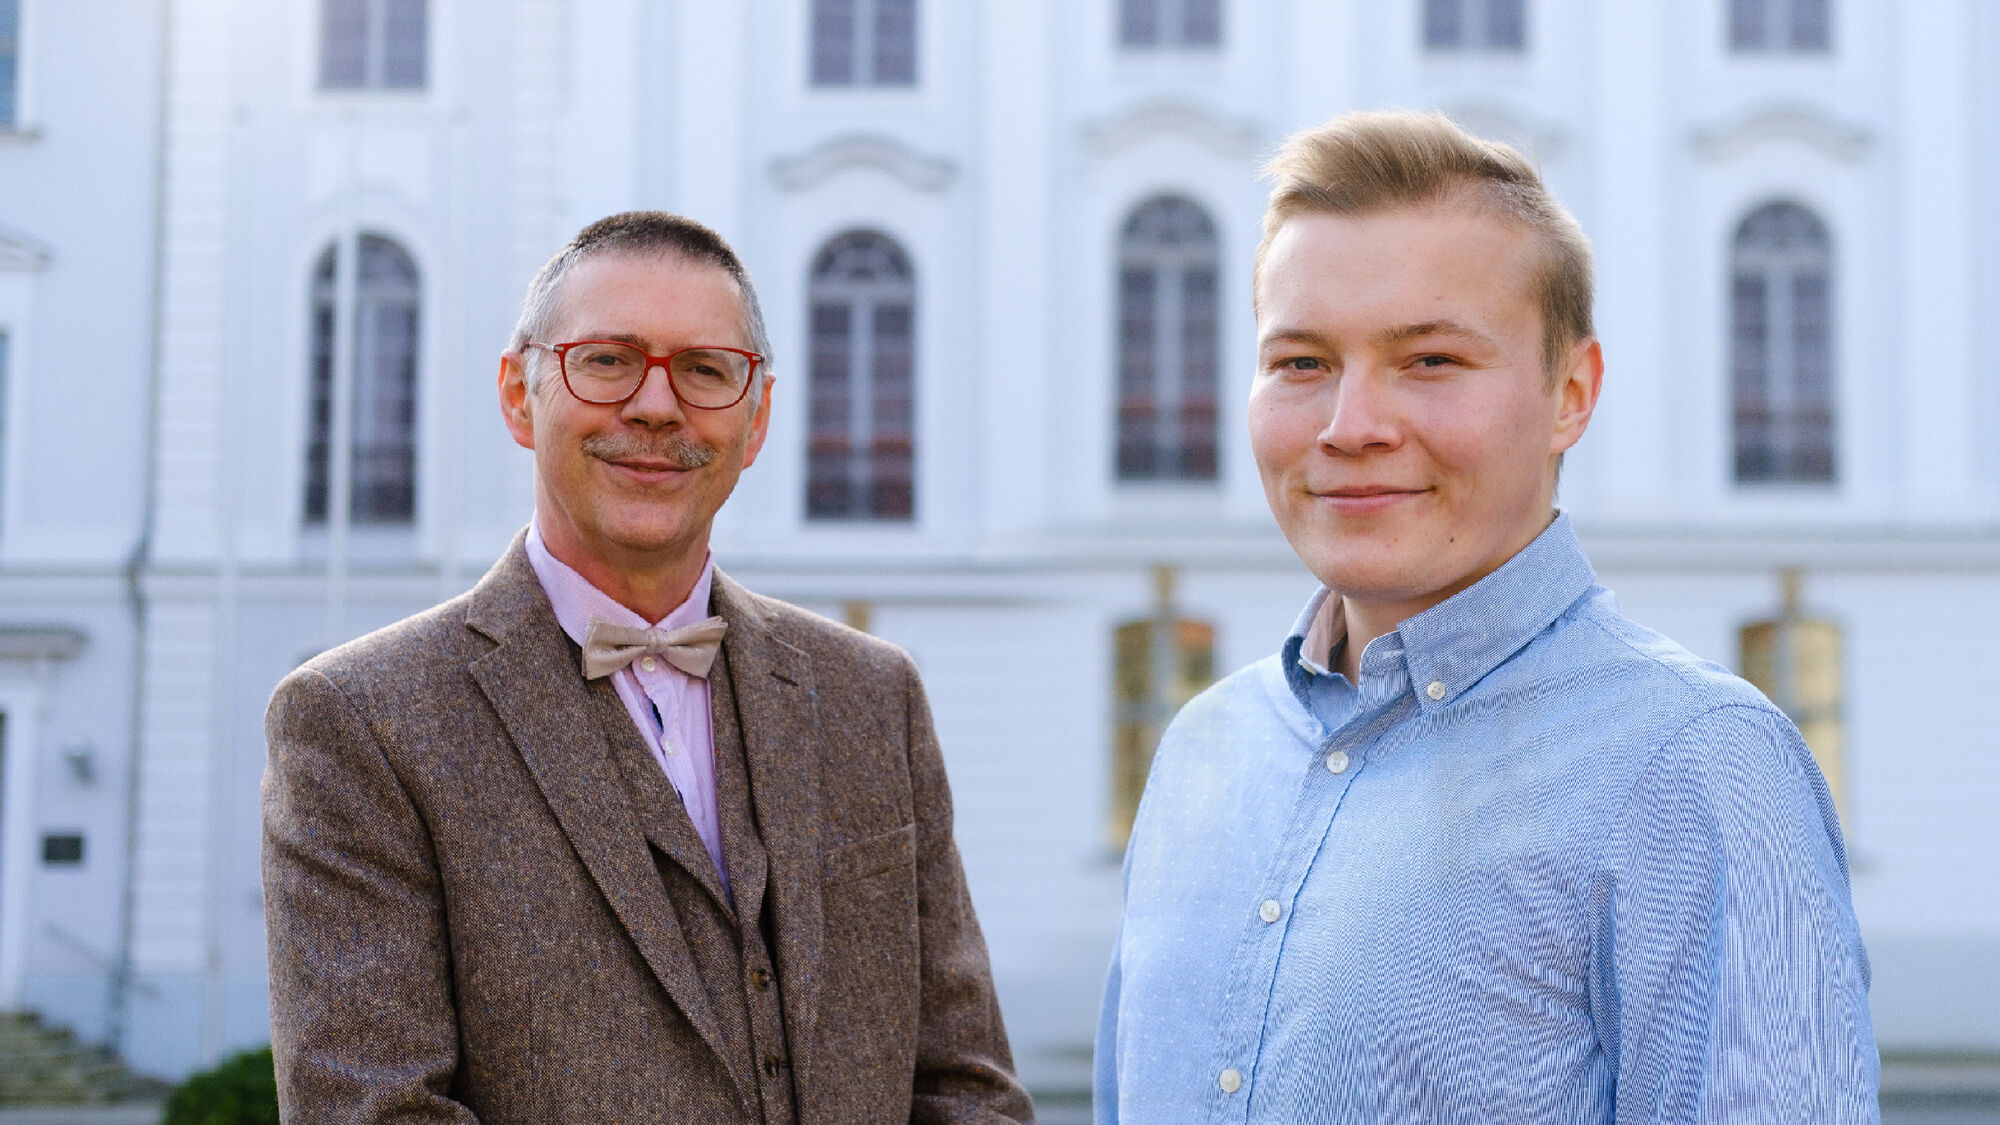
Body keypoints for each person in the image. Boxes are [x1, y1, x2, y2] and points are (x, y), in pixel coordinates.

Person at [1094, 111, 1878, 1123]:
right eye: (1300, 363)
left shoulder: (1697, 768)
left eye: (1428, 361)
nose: (1348, 428)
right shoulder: (1204, 750)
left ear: (1569, 393)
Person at [263, 211, 1031, 1124]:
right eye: (607, 359)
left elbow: (967, 1090)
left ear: (756, 420)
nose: (658, 405)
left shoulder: (874, 697)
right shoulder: (359, 720)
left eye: (706, 370)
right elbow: (374, 1111)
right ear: (519, 394)